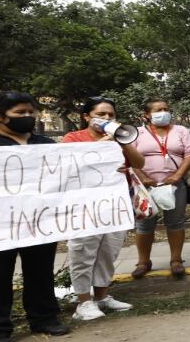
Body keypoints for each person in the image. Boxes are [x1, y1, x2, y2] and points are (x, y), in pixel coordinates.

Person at [0, 92, 72, 342]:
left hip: (39, 222)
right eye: (20, 113)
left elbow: (70, 175)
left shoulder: (45, 144)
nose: (28, 117)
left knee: (40, 271)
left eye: (31, 112)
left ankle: (44, 318)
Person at [62, 96, 147, 321]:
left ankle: (101, 296)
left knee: (108, 252)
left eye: (111, 115)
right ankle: (83, 302)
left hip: (114, 205)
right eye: (101, 114)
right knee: (83, 252)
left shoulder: (120, 139)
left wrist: (124, 143)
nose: (107, 118)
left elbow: (139, 164)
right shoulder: (73, 138)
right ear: (86, 116)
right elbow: (66, 165)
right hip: (84, 206)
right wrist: (100, 146)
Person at [131, 97, 190, 279]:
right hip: (145, 187)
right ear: (146, 115)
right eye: (158, 110)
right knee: (144, 224)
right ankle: (143, 262)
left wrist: (177, 176)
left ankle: (176, 260)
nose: (163, 113)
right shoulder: (137, 133)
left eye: (166, 109)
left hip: (174, 185)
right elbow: (129, 157)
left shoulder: (181, 131)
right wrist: (143, 178)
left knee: (176, 222)